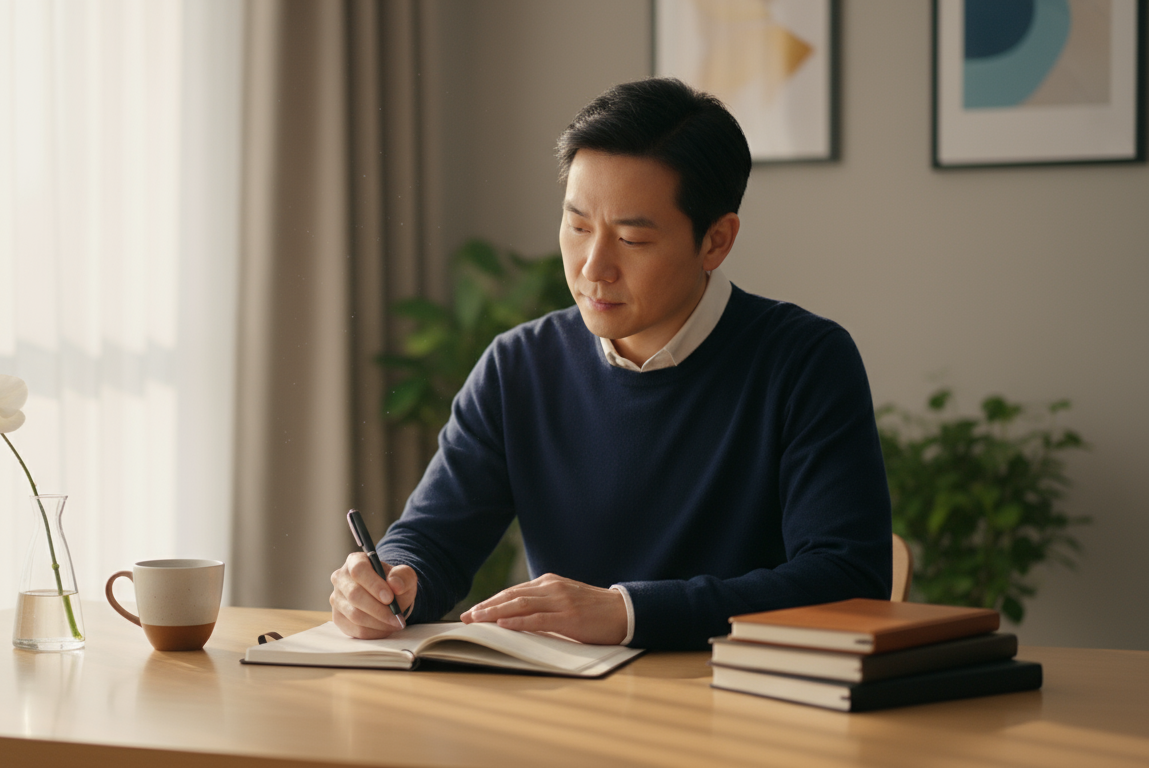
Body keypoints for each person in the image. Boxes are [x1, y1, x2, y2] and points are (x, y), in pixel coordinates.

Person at [329, 78, 891, 650]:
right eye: (577, 227)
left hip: (742, 706)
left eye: (632, 239)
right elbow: (433, 541)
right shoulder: (519, 367)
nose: (593, 267)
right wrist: (392, 583)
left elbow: (847, 579)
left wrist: (628, 612)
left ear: (716, 241)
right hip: (568, 712)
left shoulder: (804, 363)